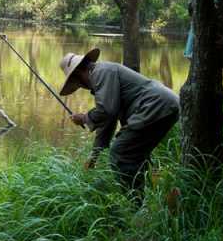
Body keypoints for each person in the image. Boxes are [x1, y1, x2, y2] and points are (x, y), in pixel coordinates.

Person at [59, 48, 180, 202]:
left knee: (120, 152)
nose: (81, 87)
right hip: (164, 105)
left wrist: (84, 118)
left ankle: (136, 204)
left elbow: (107, 111)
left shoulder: (101, 73)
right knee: (137, 154)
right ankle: (165, 193)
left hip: (154, 106)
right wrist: (94, 156)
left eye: (77, 83)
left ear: (79, 74)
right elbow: (108, 121)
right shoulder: (103, 74)